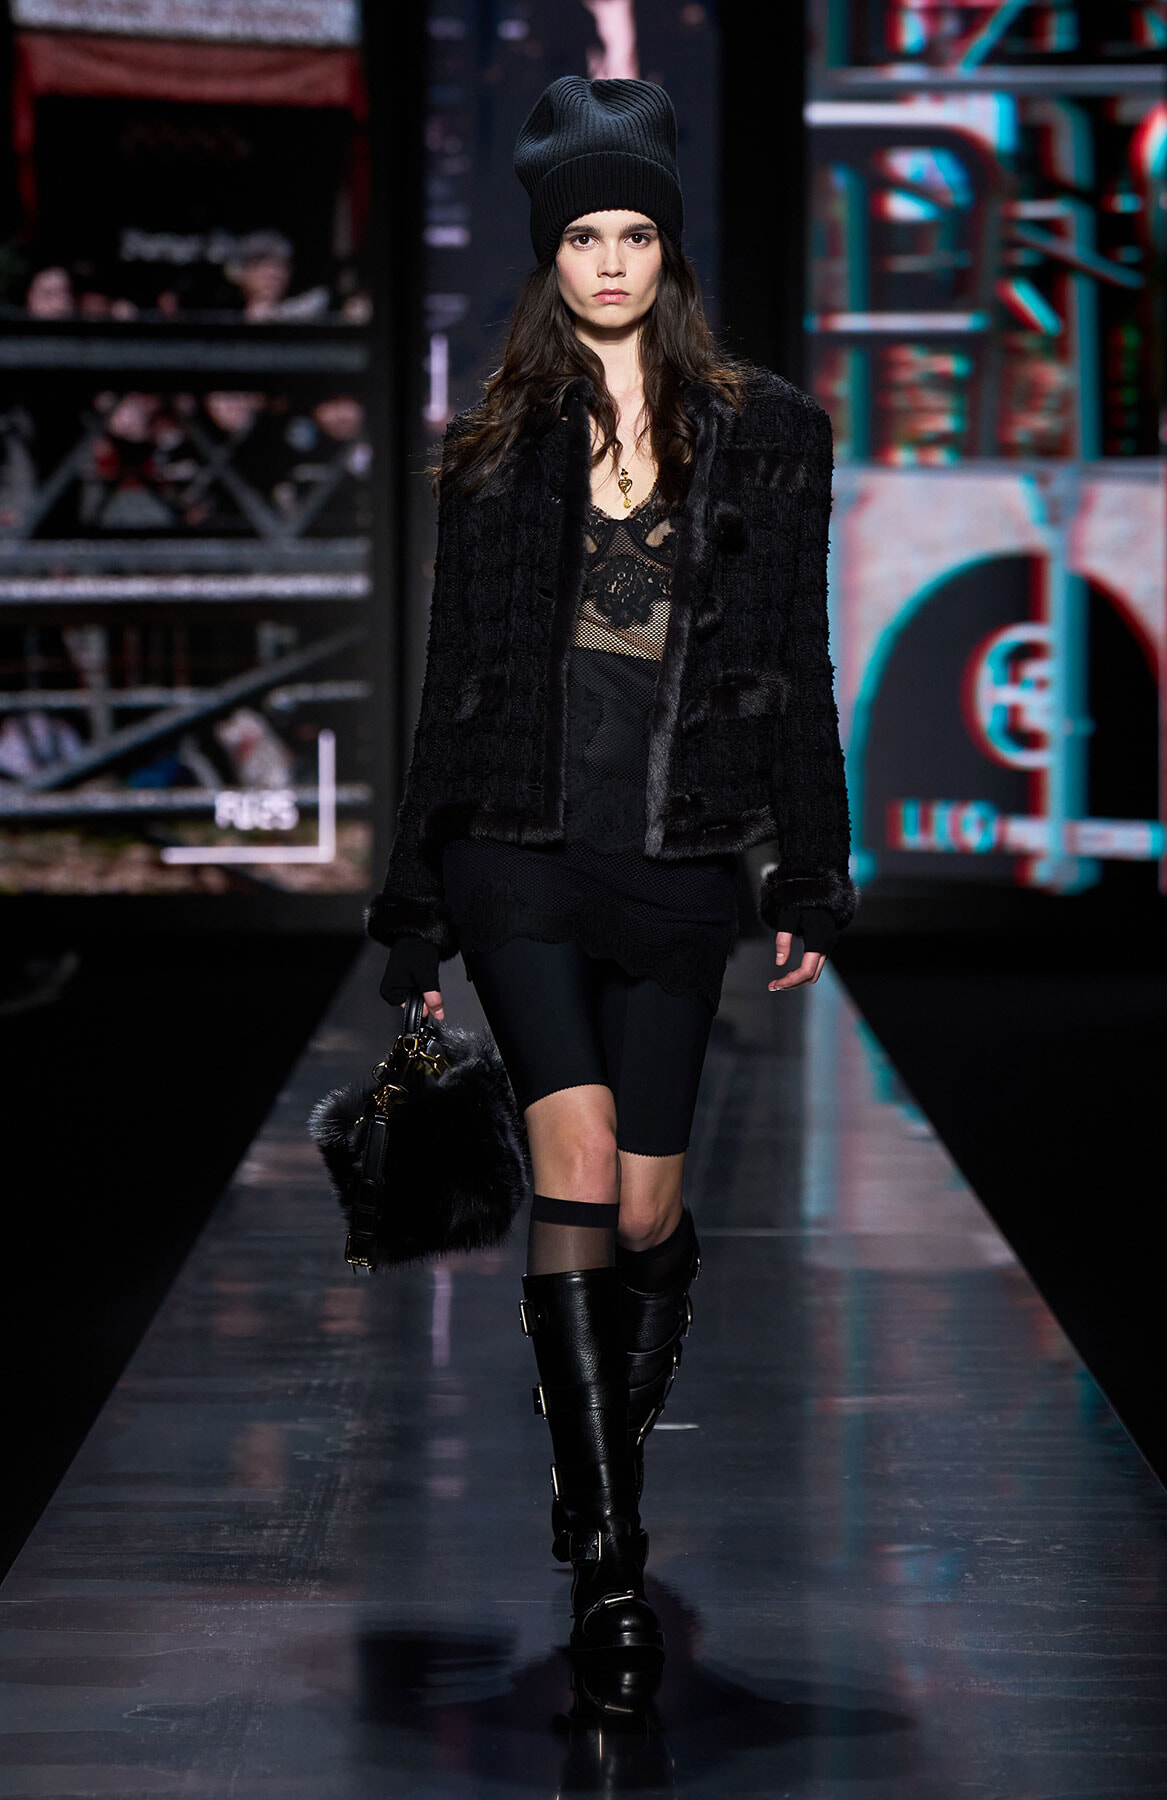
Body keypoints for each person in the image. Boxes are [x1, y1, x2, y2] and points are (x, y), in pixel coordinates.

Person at [367, 76, 854, 1666]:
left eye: (636, 231)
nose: (613, 260)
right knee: (572, 1182)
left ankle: (608, 1463)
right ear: (550, 255)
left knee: (647, 1210)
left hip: (680, 863)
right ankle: (608, 1549)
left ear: (670, 251)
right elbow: (455, 678)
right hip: (518, 851)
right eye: (585, 235)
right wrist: (418, 900)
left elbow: (797, 657)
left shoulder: (773, 436)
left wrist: (813, 872)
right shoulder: (497, 442)